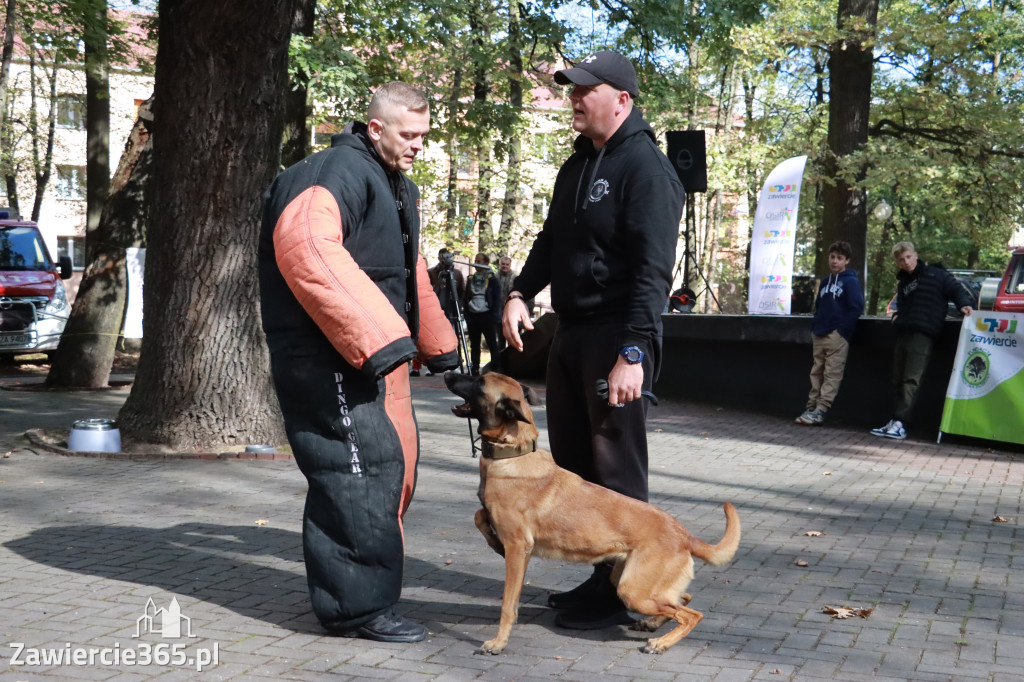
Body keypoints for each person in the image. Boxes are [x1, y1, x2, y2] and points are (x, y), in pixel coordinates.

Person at [258, 82, 459, 643]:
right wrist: (379, 342)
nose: (419, 145)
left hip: (368, 355)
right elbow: (306, 245)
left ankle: (365, 595)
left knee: (389, 466)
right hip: (327, 354)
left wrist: (443, 354)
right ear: (376, 128)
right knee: (358, 471)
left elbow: (407, 272)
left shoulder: (395, 186)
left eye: (424, 135)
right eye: (409, 134)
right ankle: (356, 611)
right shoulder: (331, 174)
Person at [501, 50, 684, 630]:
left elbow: (654, 273)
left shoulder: (648, 170)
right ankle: (601, 575)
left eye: (585, 90)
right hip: (573, 335)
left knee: (618, 471)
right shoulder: (577, 166)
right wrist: (519, 291)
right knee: (578, 467)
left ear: (621, 100)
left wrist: (634, 352)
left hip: (616, 338)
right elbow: (551, 240)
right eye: (571, 89)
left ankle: (632, 591)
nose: (573, 99)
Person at [871, 241, 974, 440]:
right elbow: (900, 304)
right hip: (904, 330)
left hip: (924, 331)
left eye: (908, 257)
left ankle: (902, 422)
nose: (906, 262)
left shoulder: (936, 274)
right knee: (897, 379)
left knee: (911, 379)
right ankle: (895, 420)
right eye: (901, 260)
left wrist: (964, 305)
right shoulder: (904, 282)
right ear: (898, 263)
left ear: (916, 255)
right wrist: (896, 316)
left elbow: (956, 289)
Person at [795, 241, 864, 426]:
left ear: (846, 260)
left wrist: (841, 332)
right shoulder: (825, 282)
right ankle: (811, 406)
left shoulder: (851, 282)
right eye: (832, 257)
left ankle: (821, 409)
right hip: (819, 333)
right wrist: (815, 327)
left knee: (832, 373)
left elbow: (856, 308)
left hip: (837, 337)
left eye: (839, 258)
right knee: (816, 371)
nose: (835, 261)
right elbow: (819, 306)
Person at [463, 252, 502, 374]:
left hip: (487, 316)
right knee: (474, 344)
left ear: (486, 263)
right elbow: (466, 297)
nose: (476, 263)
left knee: (492, 343)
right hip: (473, 316)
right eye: (475, 260)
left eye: (479, 261)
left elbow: (496, 299)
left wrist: (493, 315)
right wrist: (467, 313)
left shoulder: (492, 280)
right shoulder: (470, 279)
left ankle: (495, 368)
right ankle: (475, 368)